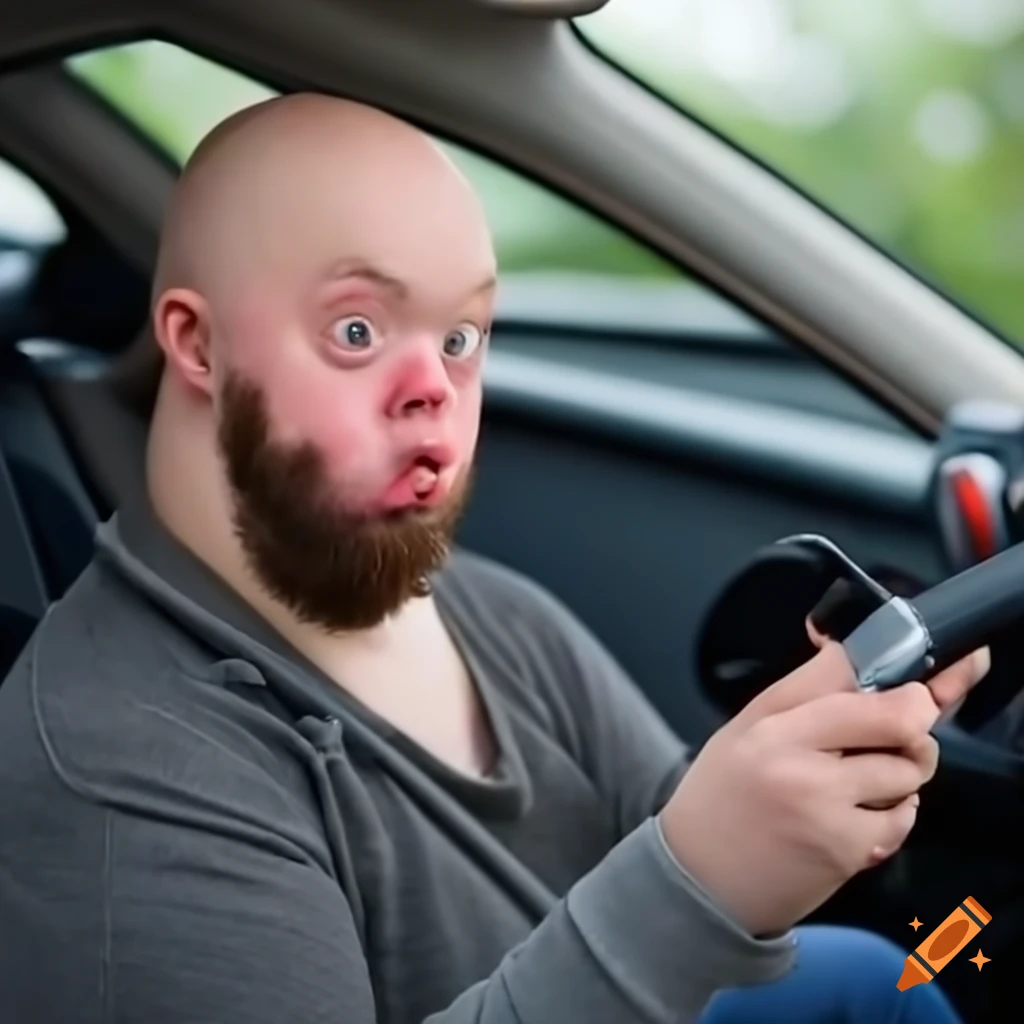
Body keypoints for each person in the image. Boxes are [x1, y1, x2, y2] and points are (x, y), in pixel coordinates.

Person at [0, 94, 988, 1024]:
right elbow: (676, 889)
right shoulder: (118, 768)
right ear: (198, 345)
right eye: (357, 330)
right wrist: (700, 882)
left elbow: (662, 834)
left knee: (872, 981)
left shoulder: (488, 615)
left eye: (462, 334)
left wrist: (798, 771)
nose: (432, 386)